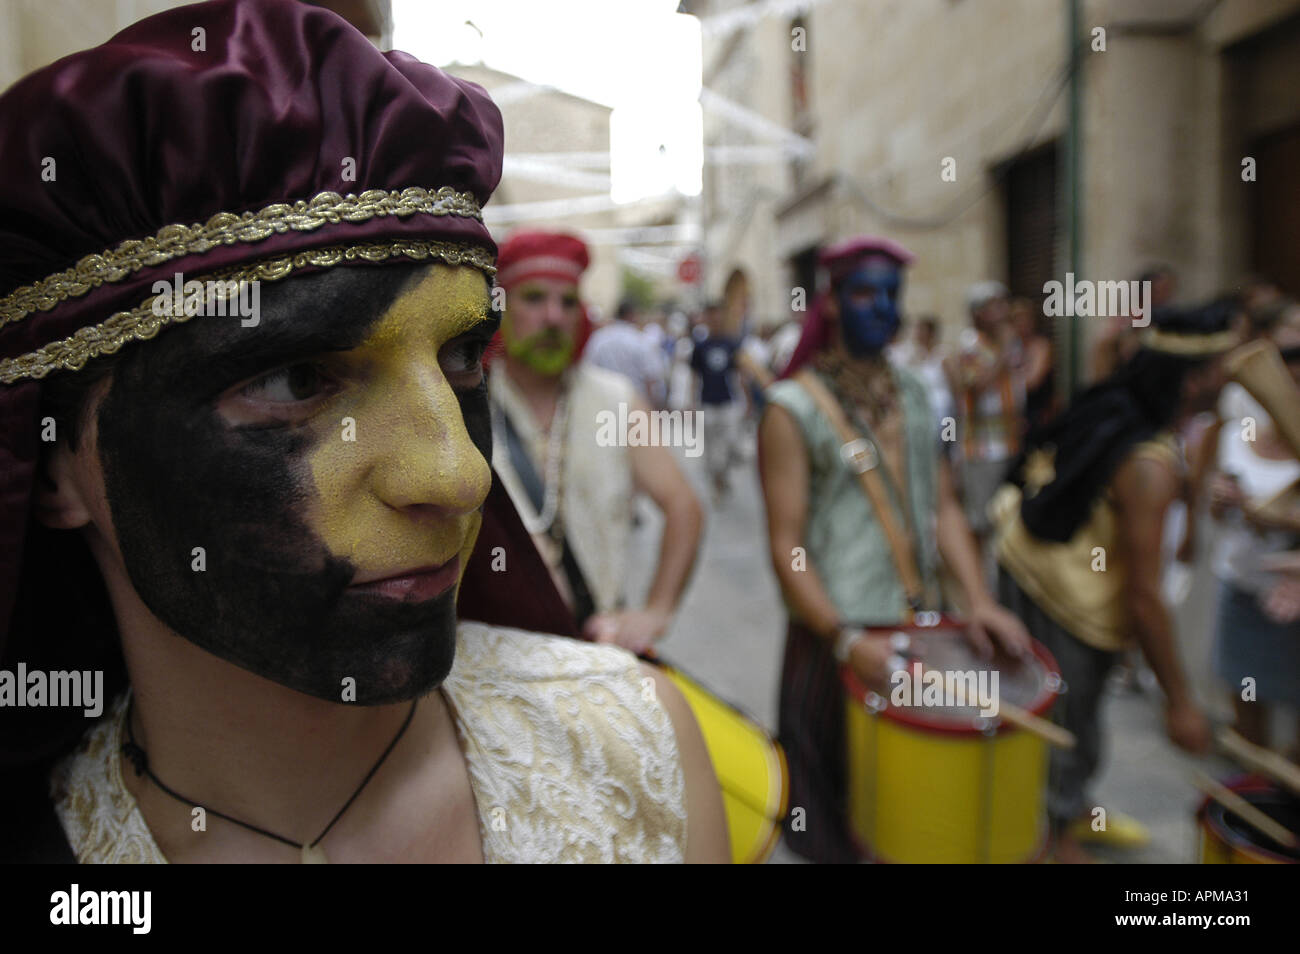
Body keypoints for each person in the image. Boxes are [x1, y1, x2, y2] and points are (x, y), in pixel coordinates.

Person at [0, 0, 726, 863]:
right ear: (53, 466)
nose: (460, 477)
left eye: (461, 356)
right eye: (294, 380)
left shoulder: (638, 755)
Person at [758, 236, 1031, 864]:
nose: (881, 308)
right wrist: (845, 639)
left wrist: (981, 601)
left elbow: (944, 507)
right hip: (834, 640)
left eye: (891, 294)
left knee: (911, 810)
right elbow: (785, 546)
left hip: (914, 627)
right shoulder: (791, 407)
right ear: (829, 305)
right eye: (862, 293)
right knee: (830, 818)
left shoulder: (914, 393)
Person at [991, 300, 1239, 863]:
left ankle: (1069, 814)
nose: (1232, 376)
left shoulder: (1120, 402)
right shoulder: (1149, 462)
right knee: (1065, 733)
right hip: (1064, 601)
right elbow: (1146, 597)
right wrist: (1180, 701)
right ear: (1196, 378)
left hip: (1031, 566)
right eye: (1225, 365)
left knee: (1067, 725)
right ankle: (1050, 840)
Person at [489, 230, 704, 654]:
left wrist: (655, 612)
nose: (553, 316)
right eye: (534, 298)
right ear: (502, 308)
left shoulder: (618, 401)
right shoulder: (463, 402)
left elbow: (685, 507)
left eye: (567, 302)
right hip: (498, 656)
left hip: (597, 650)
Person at [1207, 318, 1300, 755]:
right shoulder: (1237, 436)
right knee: (1247, 710)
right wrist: (1223, 503)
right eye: (1289, 360)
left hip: (1293, 605)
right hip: (1244, 588)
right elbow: (1216, 512)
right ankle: (1258, 798)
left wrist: (1281, 522)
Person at [943, 282, 1025, 558]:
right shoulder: (970, 348)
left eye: (1003, 304)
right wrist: (1003, 351)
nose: (1002, 312)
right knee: (982, 522)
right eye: (994, 306)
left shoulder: (1007, 346)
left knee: (1005, 518)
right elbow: (978, 387)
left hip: (1008, 443)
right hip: (981, 450)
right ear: (977, 314)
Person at [691, 301, 747, 502]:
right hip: (707, 402)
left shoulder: (731, 344)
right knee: (713, 447)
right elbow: (694, 376)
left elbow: (740, 373)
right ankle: (717, 483)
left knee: (730, 442)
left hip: (728, 402)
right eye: (711, 315)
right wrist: (691, 403)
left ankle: (722, 475)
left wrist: (745, 400)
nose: (715, 320)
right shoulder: (700, 346)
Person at [584, 298, 668, 407]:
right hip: (635, 405)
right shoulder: (641, 340)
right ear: (631, 315)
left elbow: (588, 366)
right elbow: (652, 379)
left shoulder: (598, 338)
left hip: (604, 403)